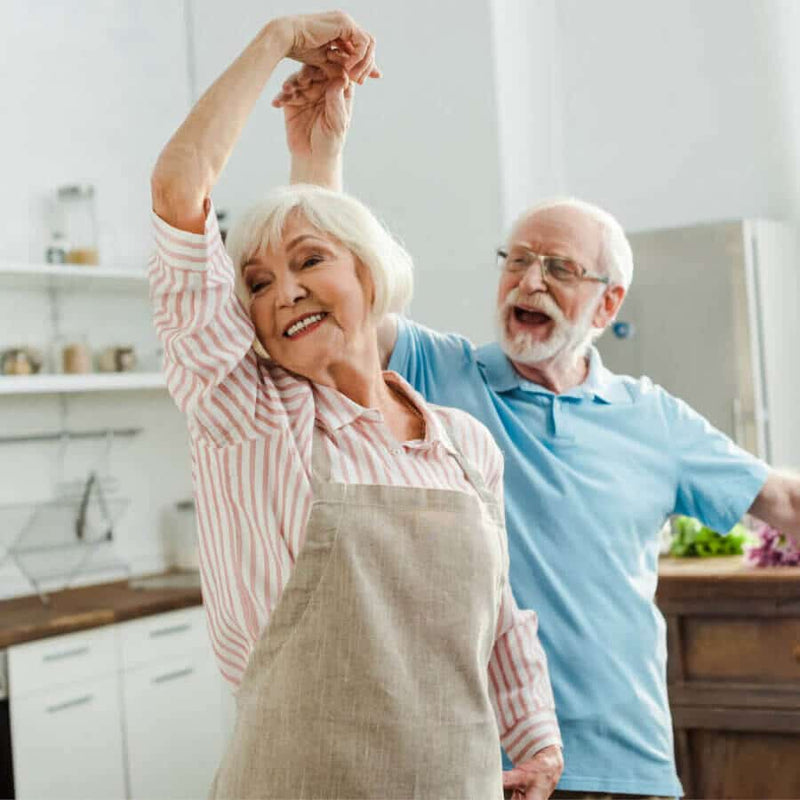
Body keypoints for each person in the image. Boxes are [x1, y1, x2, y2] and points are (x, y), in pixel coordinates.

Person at [274, 63, 800, 799]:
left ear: (606, 304)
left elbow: (784, 501)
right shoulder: (441, 372)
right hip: (482, 766)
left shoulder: (653, 418)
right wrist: (317, 157)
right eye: (516, 261)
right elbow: (341, 308)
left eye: (559, 268)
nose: (528, 282)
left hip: (631, 764)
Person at [148, 11, 563, 800]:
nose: (285, 290)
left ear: (373, 275)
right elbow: (179, 190)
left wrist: (537, 741)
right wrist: (275, 42)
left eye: (309, 263)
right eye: (258, 285)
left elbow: (500, 620)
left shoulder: (464, 445)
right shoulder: (253, 417)